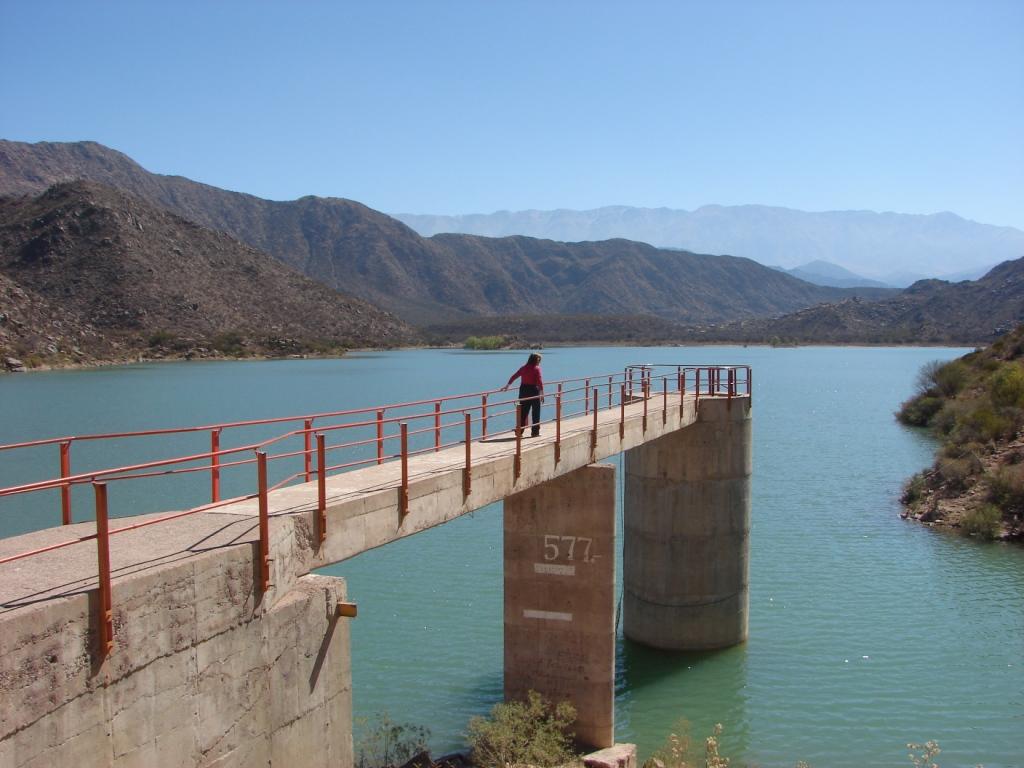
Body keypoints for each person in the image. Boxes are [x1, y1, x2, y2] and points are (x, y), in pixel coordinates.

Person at [502, 353, 544, 436]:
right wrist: (542, 393)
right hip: (533, 390)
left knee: (523, 412)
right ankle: (535, 432)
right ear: (535, 360)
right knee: (536, 412)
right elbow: (539, 381)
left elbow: (514, 376)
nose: (539, 362)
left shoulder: (523, 368)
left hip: (523, 390)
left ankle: (519, 432)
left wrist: (507, 385)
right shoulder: (536, 368)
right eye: (539, 360)